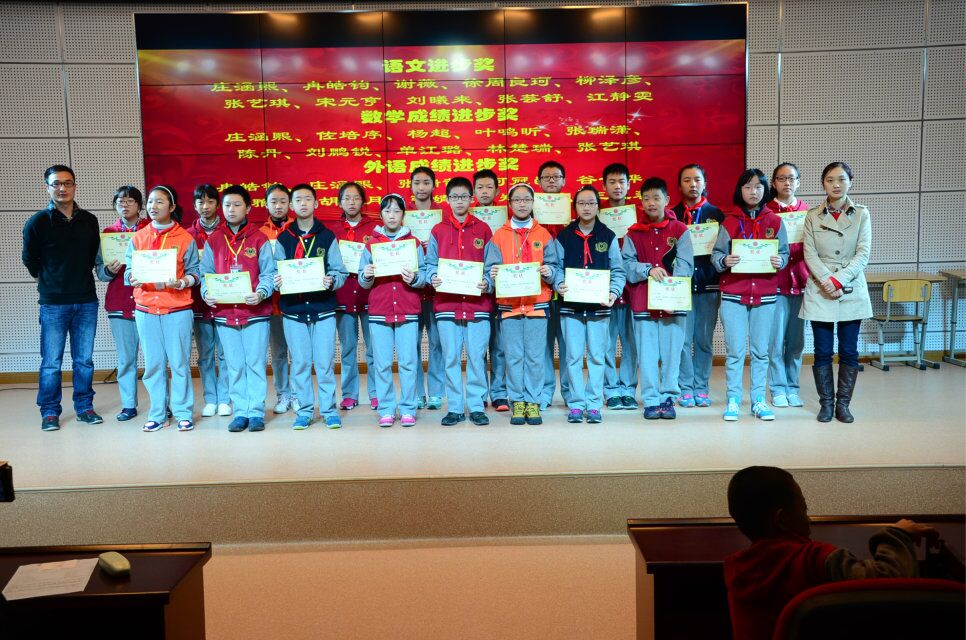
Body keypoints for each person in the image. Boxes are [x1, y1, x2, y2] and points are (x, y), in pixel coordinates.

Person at [724, 465, 936, 640]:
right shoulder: (812, 559)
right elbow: (891, 583)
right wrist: (898, 534)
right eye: (804, 509)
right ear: (782, 519)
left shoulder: (737, 574)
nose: (808, 518)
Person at [22, 165, 103, 431]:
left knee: (84, 361)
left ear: (75, 186)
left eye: (67, 183)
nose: (62, 188)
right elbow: (30, 260)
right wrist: (49, 281)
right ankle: (49, 412)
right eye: (56, 183)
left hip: (86, 300)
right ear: (47, 187)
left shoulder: (89, 220)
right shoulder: (37, 222)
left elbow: (92, 256)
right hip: (53, 303)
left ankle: (84, 407)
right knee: (51, 363)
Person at [711, 169, 789, 422]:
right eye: (747, 187)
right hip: (734, 294)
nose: (753, 192)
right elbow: (716, 255)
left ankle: (758, 400)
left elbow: (785, 254)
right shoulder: (729, 222)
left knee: (760, 352)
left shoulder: (775, 222)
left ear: (766, 189)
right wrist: (724, 260)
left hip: (765, 295)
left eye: (758, 186)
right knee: (734, 352)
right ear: (740, 190)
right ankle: (733, 399)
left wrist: (781, 261)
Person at [200, 185, 277, 433]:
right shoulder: (214, 239)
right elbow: (205, 274)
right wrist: (206, 293)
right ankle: (241, 411)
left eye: (236, 205)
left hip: (255, 313)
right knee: (234, 365)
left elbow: (269, 273)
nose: (231, 209)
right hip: (225, 314)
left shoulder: (259, 238)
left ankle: (255, 412)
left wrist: (261, 293)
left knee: (255, 364)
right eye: (227, 205)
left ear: (248, 208)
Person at [800, 162, 872, 423]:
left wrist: (838, 280)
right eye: (830, 180)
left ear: (850, 181)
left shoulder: (861, 214)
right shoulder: (812, 215)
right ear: (823, 184)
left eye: (841, 179)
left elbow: (863, 254)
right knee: (822, 351)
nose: (836, 184)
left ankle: (843, 405)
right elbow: (809, 253)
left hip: (850, 288)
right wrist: (827, 280)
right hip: (821, 289)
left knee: (849, 350)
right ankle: (826, 405)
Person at [485, 182, 562, 426]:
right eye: (517, 200)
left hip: (537, 306)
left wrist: (550, 272)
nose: (521, 204)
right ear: (509, 204)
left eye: (526, 200)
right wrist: (492, 274)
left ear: (532, 203)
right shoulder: (499, 235)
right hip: (509, 308)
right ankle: (517, 400)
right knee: (514, 356)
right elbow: (489, 269)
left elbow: (555, 267)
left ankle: (533, 401)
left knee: (536, 357)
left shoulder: (543, 234)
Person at [125, 185, 200, 432]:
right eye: (150, 202)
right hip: (146, 310)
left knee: (179, 364)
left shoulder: (185, 238)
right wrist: (132, 277)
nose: (153, 206)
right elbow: (128, 272)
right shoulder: (138, 237)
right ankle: (158, 413)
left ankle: (183, 412)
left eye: (159, 202)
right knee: (154, 365)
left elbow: (195, 273)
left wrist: (183, 282)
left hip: (177, 310)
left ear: (172, 207)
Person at [274, 183, 348, 430]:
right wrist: (277, 280)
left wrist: (331, 280)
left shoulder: (327, 237)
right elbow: (274, 271)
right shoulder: (284, 238)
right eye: (298, 200)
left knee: (325, 364)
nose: (303, 203)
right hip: (293, 312)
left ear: (316, 204)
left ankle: (329, 410)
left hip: (323, 309)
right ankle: (304, 411)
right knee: (301, 364)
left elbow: (339, 271)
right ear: (291, 205)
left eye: (307, 199)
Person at [622, 178, 694, 420]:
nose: (651, 203)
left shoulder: (680, 230)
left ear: (667, 200)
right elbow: (626, 265)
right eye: (646, 199)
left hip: (674, 304)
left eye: (656, 198)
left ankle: (668, 398)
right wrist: (648, 269)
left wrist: (671, 291)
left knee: (673, 354)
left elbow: (686, 265)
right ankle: (651, 400)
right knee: (647, 355)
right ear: (641, 202)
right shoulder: (633, 232)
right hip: (643, 303)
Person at [553, 185, 625, 424]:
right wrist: (559, 283)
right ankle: (576, 403)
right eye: (581, 203)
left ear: (598, 206)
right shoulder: (564, 236)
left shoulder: (608, 236)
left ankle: (594, 404)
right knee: (572, 357)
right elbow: (555, 267)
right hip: (570, 308)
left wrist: (613, 293)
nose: (586, 207)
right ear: (575, 207)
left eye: (591, 203)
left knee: (597, 357)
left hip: (600, 308)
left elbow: (618, 270)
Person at [425, 176, 493, 426]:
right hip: (447, 306)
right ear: (447, 200)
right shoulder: (438, 230)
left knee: (477, 357)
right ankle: (454, 407)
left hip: (478, 306)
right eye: (455, 197)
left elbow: (492, 265)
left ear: (471, 199)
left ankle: (476, 406)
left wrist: (487, 281)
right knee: (451, 358)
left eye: (464, 196)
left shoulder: (483, 229)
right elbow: (430, 265)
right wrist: (432, 277)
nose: (460, 201)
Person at [358, 193, 427, 427]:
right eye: (387, 211)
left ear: (403, 214)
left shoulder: (413, 243)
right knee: (382, 363)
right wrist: (367, 275)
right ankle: (386, 408)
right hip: (379, 311)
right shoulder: (371, 244)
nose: (392, 215)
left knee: (408, 362)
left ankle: (408, 408)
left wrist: (415, 278)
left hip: (407, 310)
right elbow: (363, 281)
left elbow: (424, 276)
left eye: (397, 211)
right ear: (381, 214)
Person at [673, 164, 724, 409]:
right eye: (687, 180)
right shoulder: (672, 214)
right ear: (679, 185)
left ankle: (701, 387)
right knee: (682, 341)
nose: (692, 184)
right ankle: (685, 388)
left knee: (703, 340)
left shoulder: (717, 215)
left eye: (697, 179)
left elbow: (723, 250)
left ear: (705, 183)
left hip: (708, 285)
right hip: (679, 287)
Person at [96, 186, 148, 422]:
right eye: (120, 202)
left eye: (130, 201)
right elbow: (100, 273)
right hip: (119, 303)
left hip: (149, 302)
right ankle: (128, 405)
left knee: (155, 359)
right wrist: (108, 270)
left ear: (139, 205)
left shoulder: (150, 230)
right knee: (126, 359)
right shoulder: (108, 234)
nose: (125, 205)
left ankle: (161, 403)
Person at [328, 181, 379, 411]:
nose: (351, 202)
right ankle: (349, 394)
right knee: (348, 349)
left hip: (370, 297)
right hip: (343, 296)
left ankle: (377, 393)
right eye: (347, 198)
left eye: (356, 198)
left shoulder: (375, 229)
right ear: (339, 202)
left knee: (374, 350)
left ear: (363, 201)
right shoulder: (332, 231)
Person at [764, 163, 810, 409]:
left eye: (792, 178)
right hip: (775, 285)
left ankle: (793, 387)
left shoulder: (808, 212)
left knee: (796, 342)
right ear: (773, 183)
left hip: (801, 284)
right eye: (782, 178)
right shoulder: (766, 212)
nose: (787, 183)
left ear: (798, 182)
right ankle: (777, 388)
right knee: (775, 341)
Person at [188, 184, 231, 418]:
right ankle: (210, 399)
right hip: (199, 303)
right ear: (194, 205)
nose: (205, 206)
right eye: (200, 202)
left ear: (218, 205)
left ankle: (225, 399)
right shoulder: (187, 235)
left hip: (225, 302)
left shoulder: (228, 233)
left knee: (225, 355)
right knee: (205, 355)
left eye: (210, 202)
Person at [601, 162, 638, 411]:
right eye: (612, 182)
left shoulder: (638, 218)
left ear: (628, 185)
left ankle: (628, 388)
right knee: (605, 343)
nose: (617, 186)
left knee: (630, 343)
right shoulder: (596, 216)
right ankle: (611, 389)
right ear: (604, 186)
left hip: (633, 290)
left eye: (621, 182)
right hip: (605, 289)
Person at [536, 160, 573, 409]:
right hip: (540, 289)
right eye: (546, 177)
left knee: (570, 346)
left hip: (571, 289)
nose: (551, 180)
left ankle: (570, 393)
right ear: (538, 181)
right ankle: (545, 392)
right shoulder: (530, 216)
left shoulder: (575, 214)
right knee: (543, 346)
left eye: (556, 177)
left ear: (564, 181)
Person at [473, 169, 509, 412]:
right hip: (477, 289)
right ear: (473, 192)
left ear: (497, 191)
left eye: (489, 187)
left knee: (500, 346)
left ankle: (499, 393)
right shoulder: (468, 220)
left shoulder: (508, 218)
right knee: (478, 349)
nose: (485, 192)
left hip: (506, 288)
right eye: (480, 187)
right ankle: (480, 394)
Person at [410, 166, 445, 410]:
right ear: (411, 186)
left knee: (437, 344)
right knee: (410, 345)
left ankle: (435, 392)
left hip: (436, 290)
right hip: (410, 291)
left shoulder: (443, 215)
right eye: (417, 183)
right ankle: (416, 393)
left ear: (434, 186)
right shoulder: (402, 214)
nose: (421, 187)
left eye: (426, 183)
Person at [261, 183, 295, 414]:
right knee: (279, 352)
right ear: (266, 204)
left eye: (283, 201)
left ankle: (299, 394)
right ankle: (283, 394)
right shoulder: (260, 233)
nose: (279, 206)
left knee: (299, 353)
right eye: (274, 201)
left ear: (290, 204)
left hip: (297, 300)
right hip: (272, 304)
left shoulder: (298, 229)